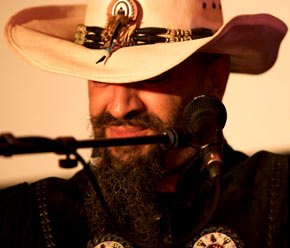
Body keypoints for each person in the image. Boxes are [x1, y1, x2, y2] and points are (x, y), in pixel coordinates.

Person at [0, 0, 289, 247]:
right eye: (100, 75)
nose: (118, 107)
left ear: (215, 80)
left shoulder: (278, 195)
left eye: (153, 76)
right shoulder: (27, 217)